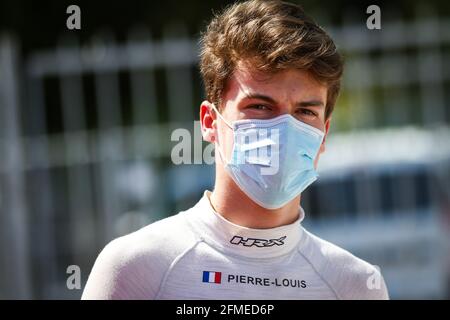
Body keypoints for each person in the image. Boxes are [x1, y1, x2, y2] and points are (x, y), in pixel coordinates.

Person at [82, 0, 389, 300]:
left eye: (305, 112)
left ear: (324, 135)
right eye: (259, 106)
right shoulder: (136, 268)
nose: (284, 129)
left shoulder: (355, 285)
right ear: (209, 121)